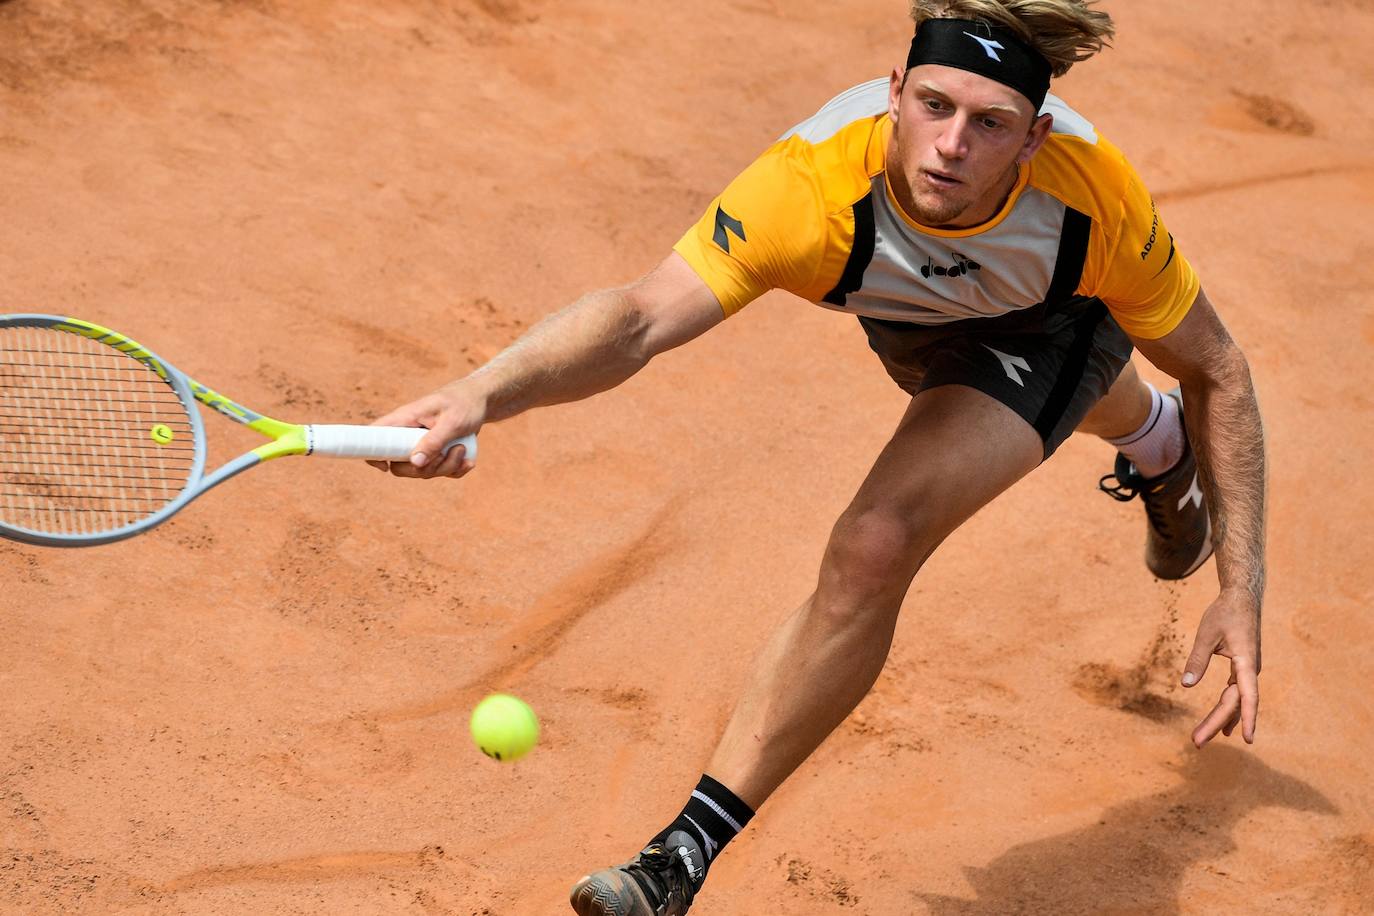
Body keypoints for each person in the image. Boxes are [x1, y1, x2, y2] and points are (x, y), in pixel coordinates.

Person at [371, 1, 1267, 912]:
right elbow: (641, 319)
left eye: (989, 124)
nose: (952, 144)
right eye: (933, 106)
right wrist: (481, 392)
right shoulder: (807, 192)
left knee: (874, 542)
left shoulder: (1095, 205)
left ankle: (677, 859)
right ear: (892, 94)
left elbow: (1219, 368)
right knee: (999, 385)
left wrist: (1241, 587)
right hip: (914, 316)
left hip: (1053, 322)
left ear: (1034, 137)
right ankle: (1154, 439)